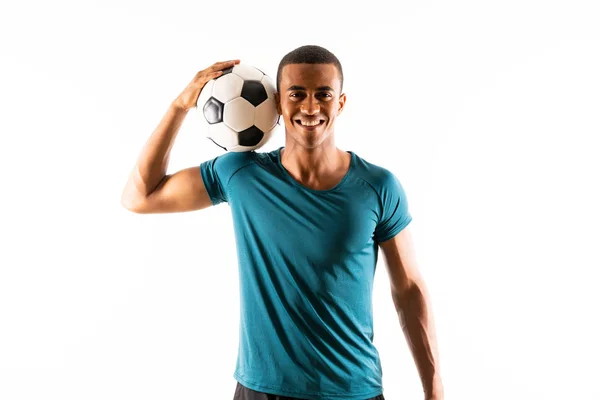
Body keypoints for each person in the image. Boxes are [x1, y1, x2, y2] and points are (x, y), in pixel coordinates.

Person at [121, 45, 444, 400]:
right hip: (262, 390)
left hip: (353, 391)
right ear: (276, 102)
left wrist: (434, 388)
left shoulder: (378, 187)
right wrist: (179, 106)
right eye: (296, 94)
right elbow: (140, 197)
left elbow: (409, 289)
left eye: (323, 95)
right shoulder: (241, 174)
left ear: (341, 103)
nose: (310, 107)